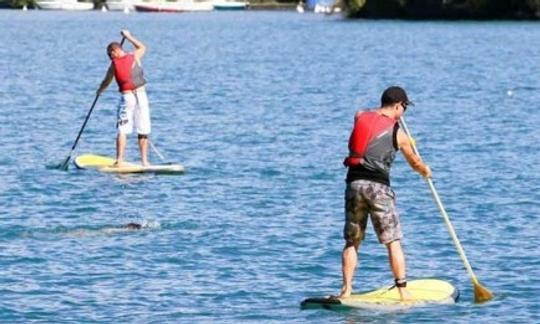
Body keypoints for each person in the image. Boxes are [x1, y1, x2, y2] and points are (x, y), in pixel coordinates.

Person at [339, 86, 432, 301]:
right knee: (393, 241)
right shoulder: (400, 135)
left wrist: (386, 115)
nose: (404, 113)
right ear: (399, 105)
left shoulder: (361, 116)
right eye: (404, 108)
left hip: (354, 185)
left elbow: (364, 115)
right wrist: (426, 171)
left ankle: (346, 290)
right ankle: (402, 291)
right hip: (378, 188)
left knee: (352, 241)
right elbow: (415, 163)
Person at [97, 30, 151, 167]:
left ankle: (120, 160)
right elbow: (142, 47)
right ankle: (144, 162)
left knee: (123, 130)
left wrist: (99, 91)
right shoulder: (134, 56)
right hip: (141, 96)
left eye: (110, 55)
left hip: (128, 98)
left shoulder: (114, 65)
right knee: (142, 130)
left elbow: (106, 81)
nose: (110, 58)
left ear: (115, 51)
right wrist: (128, 36)